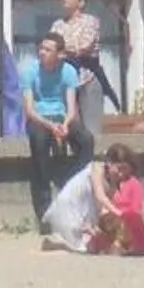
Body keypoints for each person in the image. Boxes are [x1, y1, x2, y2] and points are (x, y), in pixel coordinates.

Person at [19, 30, 91, 218]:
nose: (42, 52)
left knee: (86, 139)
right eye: (41, 48)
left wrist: (66, 124)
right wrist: (51, 126)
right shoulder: (30, 71)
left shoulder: (68, 71)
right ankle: (44, 206)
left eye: (48, 49)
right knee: (39, 140)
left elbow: (72, 107)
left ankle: (77, 184)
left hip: (62, 118)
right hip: (40, 119)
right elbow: (29, 110)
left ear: (60, 54)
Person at [42, 139, 144, 255]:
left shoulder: (113, 182)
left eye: (125, 172)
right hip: (69, 207)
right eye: (119, 168)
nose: (121, 174)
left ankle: (60, 242)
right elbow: (99, 196)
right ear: (110, 163)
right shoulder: (97, 168)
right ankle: (58, 244)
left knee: (94, 242)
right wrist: (120, 214)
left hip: (83, 211)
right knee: (83, 247)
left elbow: (100, 208)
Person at [53, 0, 109, 140]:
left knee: (92, 130)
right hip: (63, 80)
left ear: (81, 2)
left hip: (87, 78)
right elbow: (50, 44)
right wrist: (63, 49)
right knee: (70, 127)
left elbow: (84, 46)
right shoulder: (58, 25)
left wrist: (62, 49)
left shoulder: (90, 21)